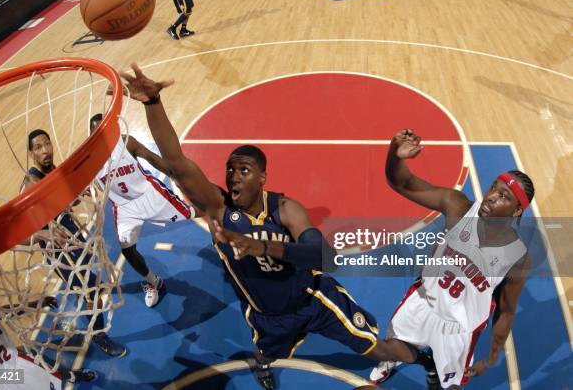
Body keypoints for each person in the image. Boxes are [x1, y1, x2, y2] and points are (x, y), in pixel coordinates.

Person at [114, 64, 428, 390]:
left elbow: (325, 258)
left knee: (376, 348)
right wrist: (152, 103)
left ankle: (423, 360)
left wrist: (263, 247)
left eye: (244, 170)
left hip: (314, 301)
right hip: (268, 316)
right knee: (263, 352)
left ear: (262, 177)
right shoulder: (219, 210)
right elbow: (177, 163)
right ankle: (263, 362)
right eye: (230, 169)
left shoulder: (285, 209)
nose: (234, 175)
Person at [368, 129, 534, 390]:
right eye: (494, 187)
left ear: (516, 211)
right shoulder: (458, 207)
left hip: (459, 329)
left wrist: (490, 359)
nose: (491, 196)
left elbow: (506, 311)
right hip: (424, 302)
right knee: (387, 349)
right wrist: (395, 154)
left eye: (504, 196)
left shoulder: (517, 258)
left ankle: (437, 366)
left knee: (450, 388)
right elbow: (400, 183)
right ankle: (416, 359)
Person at [21, 129, 127, 358]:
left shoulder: (53, 172)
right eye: (38, 147)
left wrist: (79, 193)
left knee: (93, 287)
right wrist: (42, 235)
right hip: (58, 251)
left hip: (72, 238)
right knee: (89, 290)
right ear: (31, 154)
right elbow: (20, 234)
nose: (44, 150)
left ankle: (96, 327)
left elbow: (64, 203)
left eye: (46, 144)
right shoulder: (31, 184)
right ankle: (100, 336)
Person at [90, 114, 196, 307]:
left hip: (149, 194)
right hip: (123, 208)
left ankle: (226, 218)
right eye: (97, 133)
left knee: (194, 213)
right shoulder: (89, 163)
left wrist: (177, 176)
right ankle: (153, 281)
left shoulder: (125, 142)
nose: (101, 136)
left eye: (104, 131)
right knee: (127, 250)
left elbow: (152, 159)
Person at [0, 292, 97, 388]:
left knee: (50, 371)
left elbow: (8, 311)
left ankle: (72, 377)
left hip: (16, 359)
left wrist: (35, 304)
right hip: (1, 381)